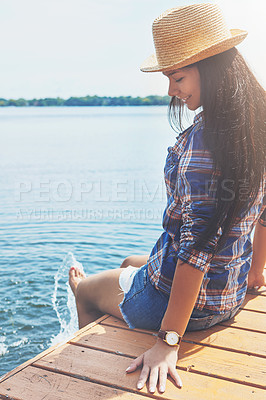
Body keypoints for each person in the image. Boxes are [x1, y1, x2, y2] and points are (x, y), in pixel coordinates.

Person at [68, 3, 266, 394]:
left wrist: (168, 342)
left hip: (190, 310)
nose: (171, 90)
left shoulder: (204, 145)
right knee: (129, 261)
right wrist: (255, 276)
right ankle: (126, 279)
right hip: (230, 291)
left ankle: (82, 357)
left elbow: (196, 248)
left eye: (177, 77)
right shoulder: (257, 125)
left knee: (89, 290)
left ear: (211, 68)